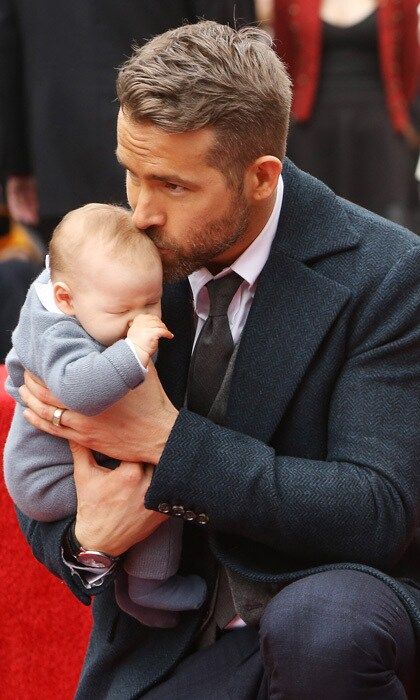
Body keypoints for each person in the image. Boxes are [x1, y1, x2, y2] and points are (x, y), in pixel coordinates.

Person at [15, 20, 419, 699]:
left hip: (325, 611)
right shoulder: (113, 259)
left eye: (171, 186)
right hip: (165, 639)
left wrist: (166, 443)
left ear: (261, 177)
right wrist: (88, 542)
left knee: (323, 630)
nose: (139, 212)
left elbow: (375, 510)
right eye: (130, 173)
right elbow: (45, 449)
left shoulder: (389, 273)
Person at [4, 202, 206, 629]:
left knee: (172, 462)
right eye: (123, 314)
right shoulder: (57, 328)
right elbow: (81, 389)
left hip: (55, 460)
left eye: (152, 303)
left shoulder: (72, 287)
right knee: (169, 476)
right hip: (47, 478)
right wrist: (134, 352)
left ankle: (138, 588)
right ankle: (149, 584)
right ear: (65, 298)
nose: (142, 322)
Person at [0, 0, 256, 245]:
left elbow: (7, 45)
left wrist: (18, 165)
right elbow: (234, 45)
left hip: (61, 158)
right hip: (175, 166)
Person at [274, 0, 420, 230]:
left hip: (379, 126)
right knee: (312, 221)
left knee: (390, 221)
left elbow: (410, 66)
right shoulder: (288, 2)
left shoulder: (402, 3)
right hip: (312, 128)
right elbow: (283, 62)